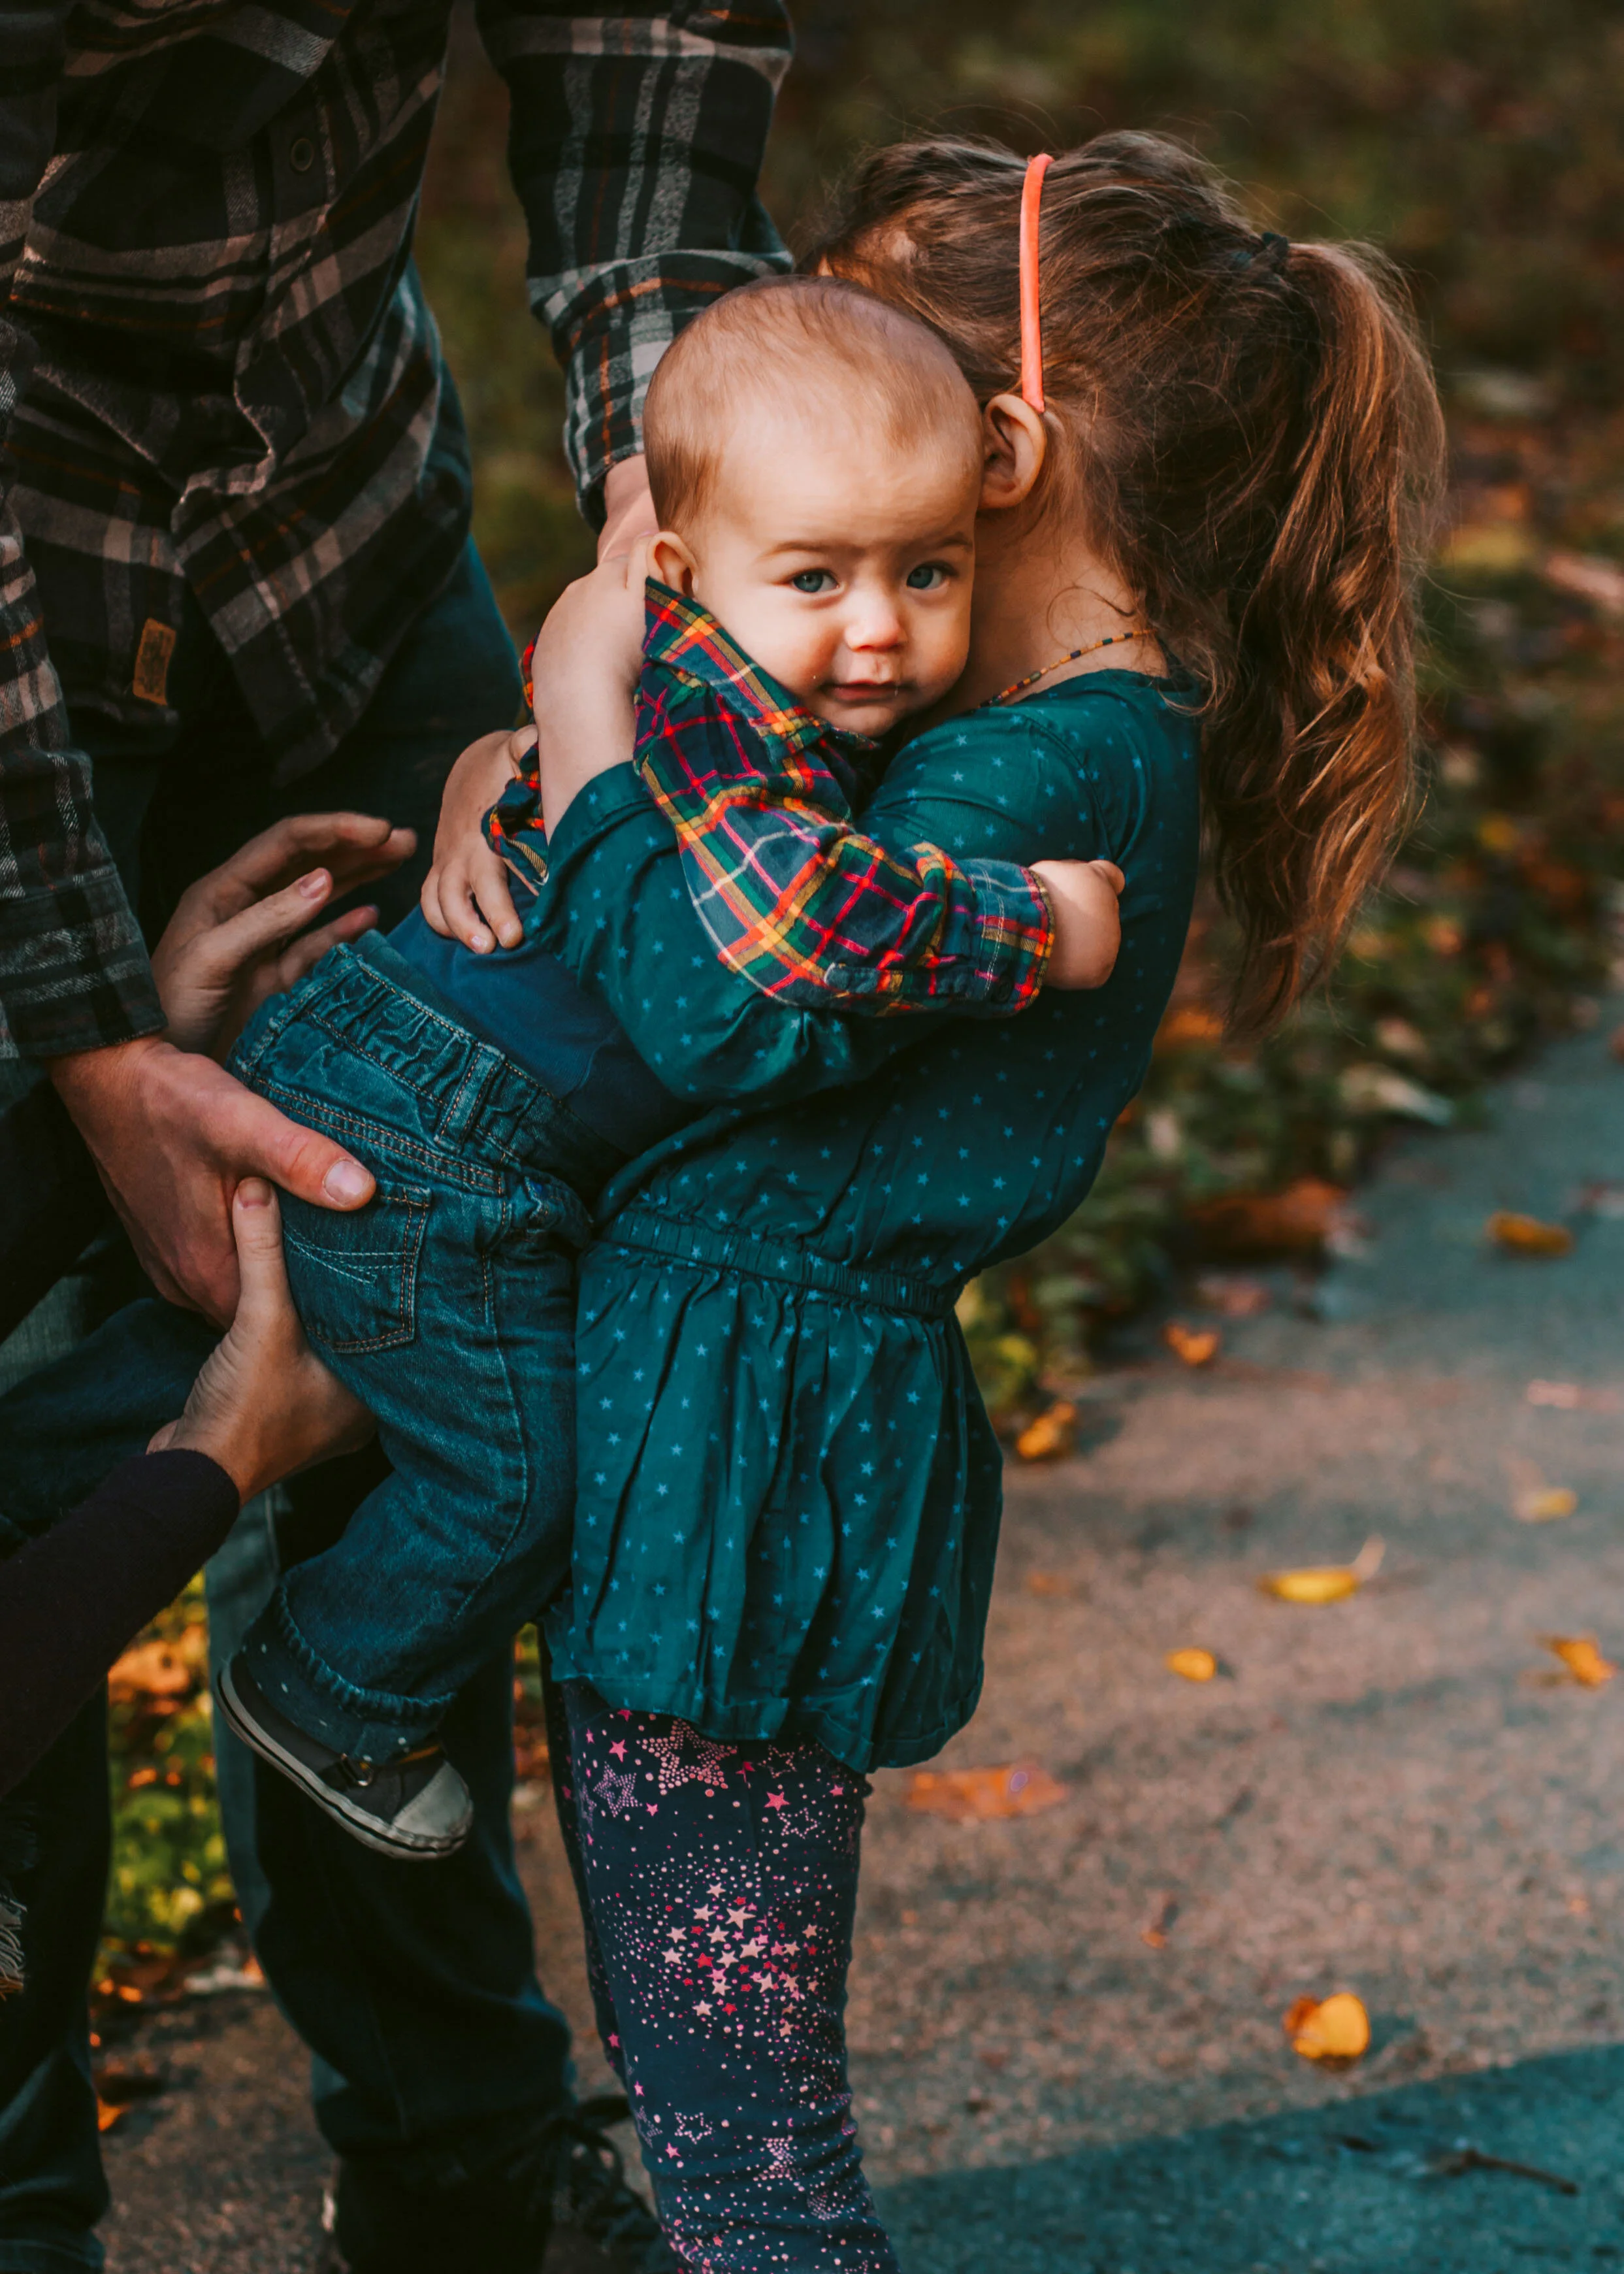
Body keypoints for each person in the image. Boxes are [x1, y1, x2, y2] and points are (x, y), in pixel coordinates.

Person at [413, 131, 1443, 2269]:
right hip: (752, 1432)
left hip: (743, 1457)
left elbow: (712, 989)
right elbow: (733, 860)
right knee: (731, 2116)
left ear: (993, 441)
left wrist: (591, 720)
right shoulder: (1050, 740)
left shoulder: (1031, 775)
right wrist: (498, 770)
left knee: (743, 2155)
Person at [0, 10, 791, 2271]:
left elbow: (653, 102)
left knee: (444, 1281)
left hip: (335, 547)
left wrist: (668, 605)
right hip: (18, 603)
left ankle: (459, 2171)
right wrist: (77, 1039)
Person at [204, 277, 1126, 1860]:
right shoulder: (709, 703)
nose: (881, 627)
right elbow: (785, 927)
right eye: (820, 576)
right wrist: (1024, 923)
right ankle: (326, 1681)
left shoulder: (735, 673)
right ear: (688, 575)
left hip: (442, 1097)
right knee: (519, 1474)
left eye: (929, 571)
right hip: (429, 1126)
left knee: (196, 1401)